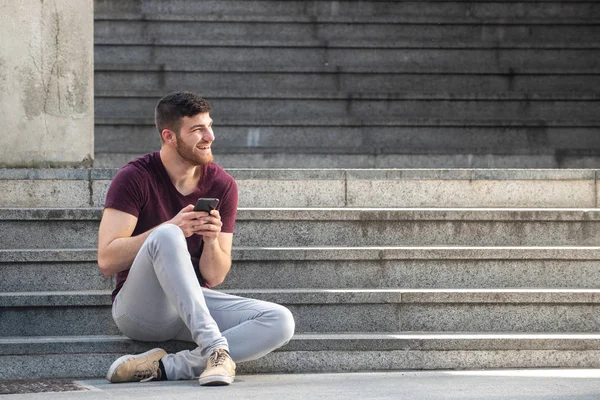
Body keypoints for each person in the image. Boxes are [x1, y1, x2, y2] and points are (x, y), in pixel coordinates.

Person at [97, 91, 295, 386]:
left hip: (193, 305)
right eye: (197, 129)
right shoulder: (134, 178)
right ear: (170, 136)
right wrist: (172, 227)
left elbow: (214, 276)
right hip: (140, 310)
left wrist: (212, 240)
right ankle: (216, 349)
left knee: (280, 321)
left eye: (210, 126)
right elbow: (107, 260)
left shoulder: (222, 184)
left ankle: (167, 367)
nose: (209, 136)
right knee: (167, 234)